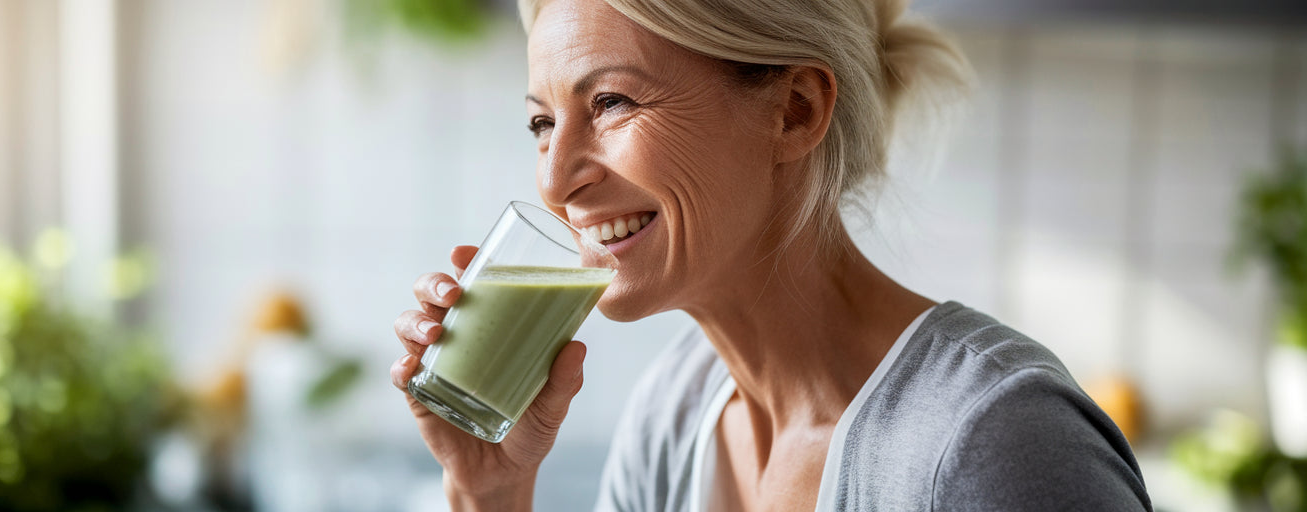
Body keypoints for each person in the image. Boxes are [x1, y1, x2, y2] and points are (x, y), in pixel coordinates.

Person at [390, 0, 1153, 509]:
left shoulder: (996, 445)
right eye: (541, 124)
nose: (557, 178)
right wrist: (490, 491)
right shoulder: (675, 415)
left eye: (612, 103)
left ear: (794, 111)